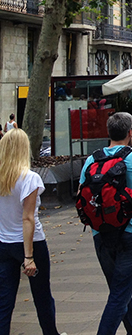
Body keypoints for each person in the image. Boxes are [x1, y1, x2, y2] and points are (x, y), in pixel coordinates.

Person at [79, 112, 132, 335]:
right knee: (119, 293)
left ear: (108, 132)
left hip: (100, 233)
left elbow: (80, 193)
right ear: (130, 132)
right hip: (131, 232)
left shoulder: (92, 159)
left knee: (118, 288)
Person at [0, 129, 66, 335]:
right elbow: (27, 218)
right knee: (42, 296)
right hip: (31, 244)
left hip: (4, 243)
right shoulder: (29, 178)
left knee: (4, 300)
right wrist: (28, 256)